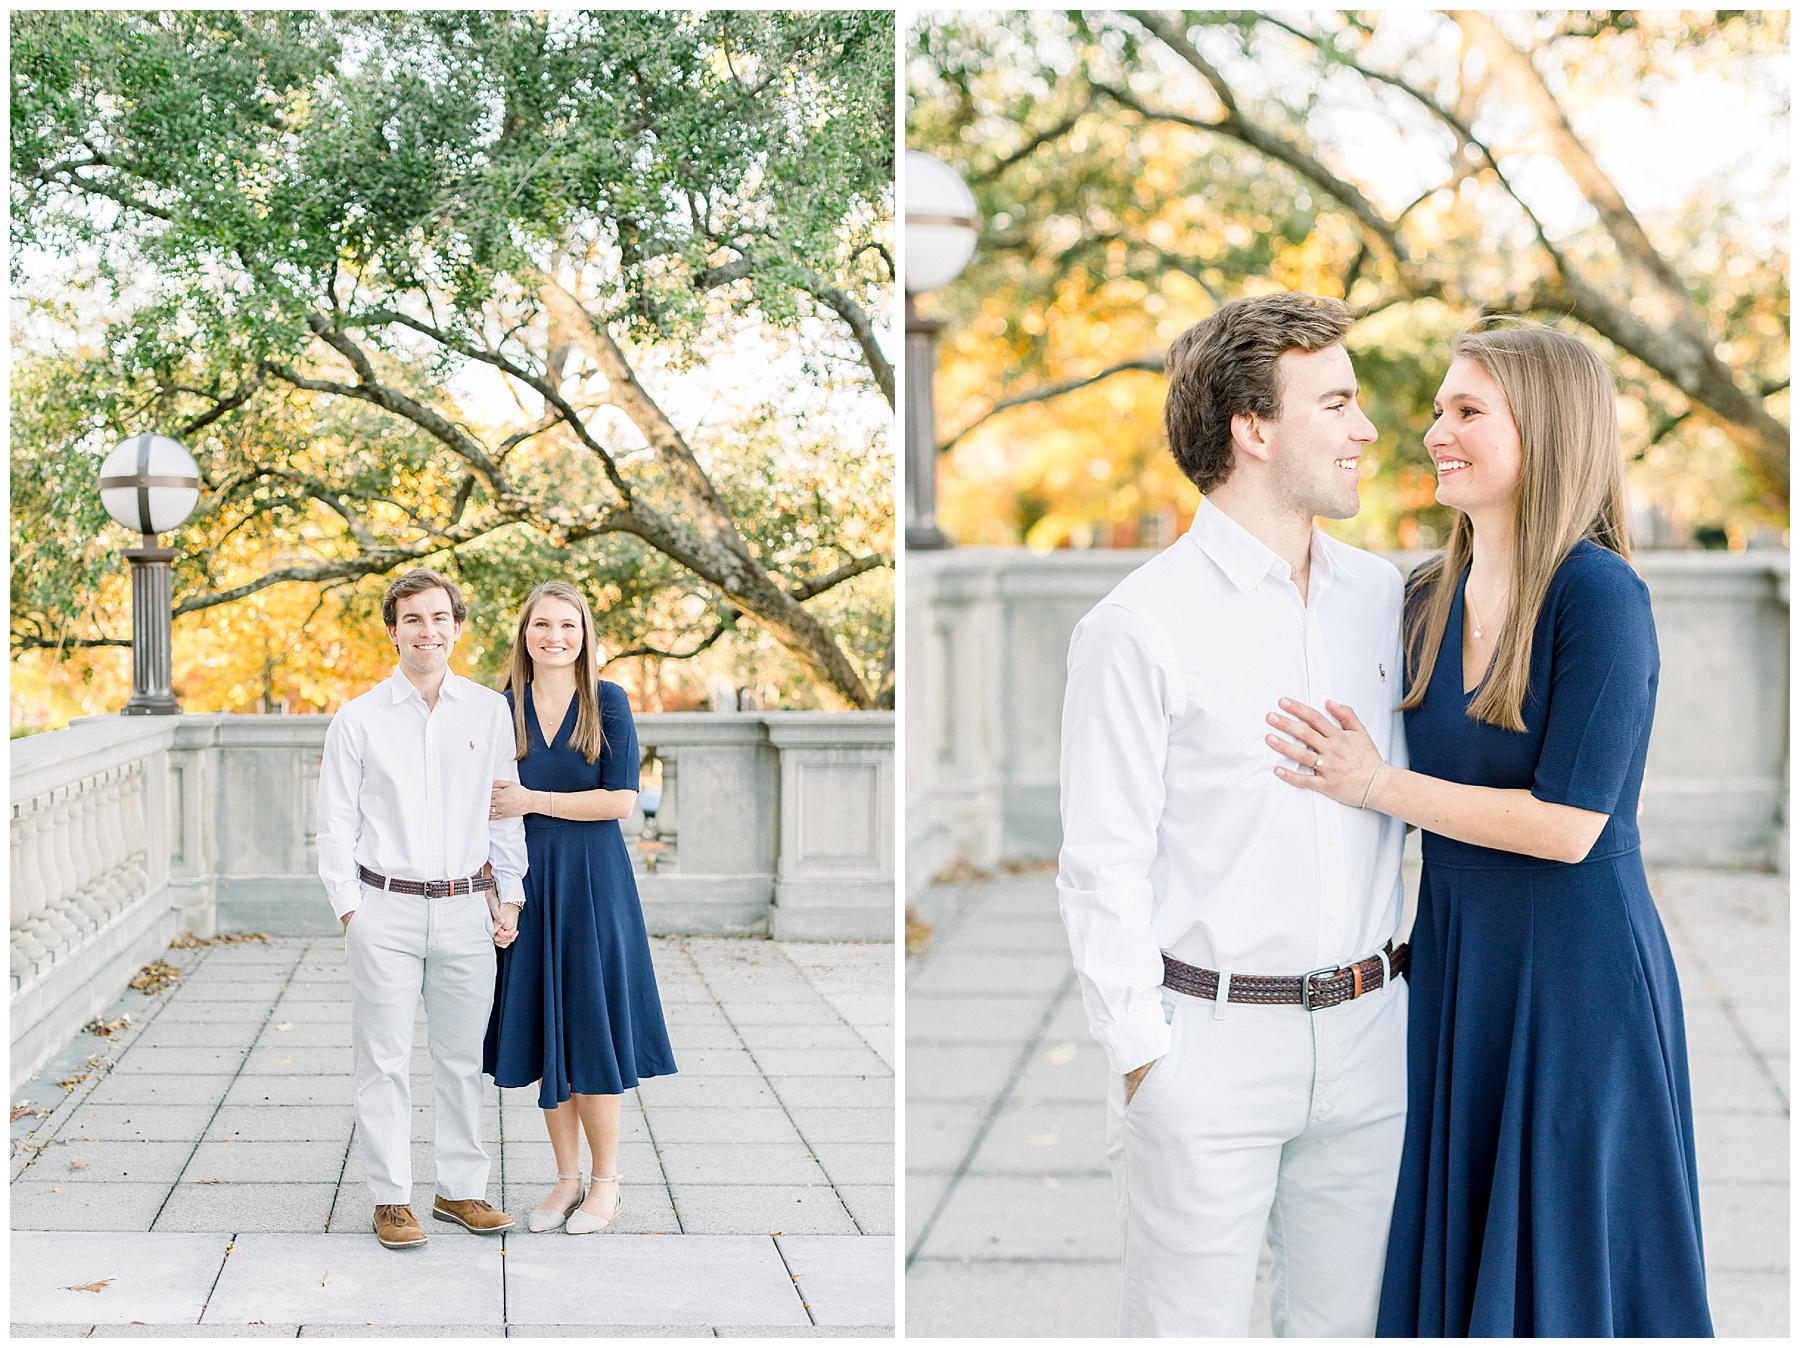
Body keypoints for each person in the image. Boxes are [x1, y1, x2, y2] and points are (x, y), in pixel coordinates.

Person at [1264, 319, 1712, 1336]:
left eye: (1467, 411)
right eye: (1438, 410)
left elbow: (1569, 827)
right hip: (1458, 964)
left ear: (1545, 429)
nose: (1435, 433)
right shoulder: (1426, 593)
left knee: (1563, 1262)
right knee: (1458, 1254)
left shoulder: (1599, 594)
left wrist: (1375, 784)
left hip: (1577, 979)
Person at [1058, 291, 1412, 1337]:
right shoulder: (1138, 626)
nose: (1366, 430)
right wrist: (1145, 1060)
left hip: (1371, 1040)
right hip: (1206, 1049)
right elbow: (1101, 864)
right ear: (1253, 428)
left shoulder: (1382, 597)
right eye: (1336, 404)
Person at [316, 568, 527, 1250]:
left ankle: (460, 1190)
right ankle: (391, 1199)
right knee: (382, 1060)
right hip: (385, 910)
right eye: (413, 619)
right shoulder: (358, 719)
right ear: (393, 631)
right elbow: (335, 823)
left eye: (439, 618)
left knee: (462, 1059)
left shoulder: (488, 712)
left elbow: (503, 810)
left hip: (467, 909)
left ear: (457, 628)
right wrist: (352, 912)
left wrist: (510, 895)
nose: (427, 631)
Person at [484, 580, 677, 1234]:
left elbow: (620, 800)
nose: (555, 636)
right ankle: (566, 1179)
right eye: (543, 624)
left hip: (594, 884)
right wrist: (497, 891)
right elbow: (483, 806)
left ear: (584, 635)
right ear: (525, 633)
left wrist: (534, 800)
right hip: (528, 881)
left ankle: (605, 1182)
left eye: (568, 625)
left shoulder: (607, 700)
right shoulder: (501, 708)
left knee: (592, 1028)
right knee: (546, 1028)